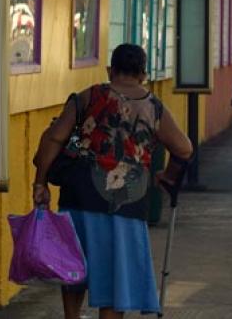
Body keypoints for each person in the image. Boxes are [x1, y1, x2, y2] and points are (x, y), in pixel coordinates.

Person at [32, 44, 193, 319]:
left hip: (79, 194)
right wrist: (166, 176)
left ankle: (71, 316)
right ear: (143, 74)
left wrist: (40, 183)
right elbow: (184, 149)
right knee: (116, 274)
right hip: (126, 202)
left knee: (74, 263)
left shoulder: (88, 96)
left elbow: (55, 138)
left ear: (110, 70)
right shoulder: (153, 107)